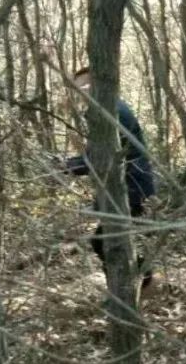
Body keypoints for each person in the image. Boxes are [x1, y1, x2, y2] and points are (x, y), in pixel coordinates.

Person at [62, 67, 157, 287]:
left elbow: (103, 158)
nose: (82, 92)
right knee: (113, 242)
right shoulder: (103, 110)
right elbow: (96, 154)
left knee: (106, 242)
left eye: (86, 86)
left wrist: (70, 167)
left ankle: (137, 287)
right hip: (123, 187)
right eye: (78, 88)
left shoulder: (113, 111)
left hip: (131, 187)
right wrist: (68, 163)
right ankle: (134, 287)